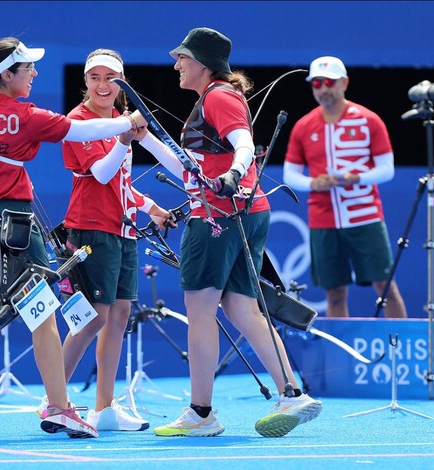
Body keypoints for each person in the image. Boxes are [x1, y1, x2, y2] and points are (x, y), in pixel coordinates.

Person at [0, 37, 147, 439]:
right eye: (28, 69)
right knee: (42, 314)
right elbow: (81, 130)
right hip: (13, 230)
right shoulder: (26, 115)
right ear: (7, 75)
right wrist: (127, 123)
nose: (35, 74)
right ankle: (60, 408)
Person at [136, 27, 322, 438]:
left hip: (218, 218)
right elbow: (191, 169)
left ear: (202, 63)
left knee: (200, 312)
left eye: (183, 58)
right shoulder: (211, 98)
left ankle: (201, 413)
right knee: (241, 308)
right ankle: (292, 394)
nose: (176, 64)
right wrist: (145, 138)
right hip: (244, 213)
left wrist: (236, 172)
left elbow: (242, 143)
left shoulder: (219, 96)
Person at [36, 49, 174, 432]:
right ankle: (54, 401)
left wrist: (152, 208)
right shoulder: (78, 122)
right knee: (94, 317)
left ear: (121, 83)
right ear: (85, 82)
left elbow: (122, 183)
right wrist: (125, 140)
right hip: (91, 229)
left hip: (124, 229)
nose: (102, 85)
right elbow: (99, 174)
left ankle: (105, 407)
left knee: (119, 316)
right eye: (94, 77)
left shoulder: (118, 122)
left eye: (109, 78)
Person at [283, 56, 407, 318]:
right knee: (334, 293)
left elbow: (387, 170)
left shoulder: (369, 120)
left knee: (385, 288)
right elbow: (290, 175)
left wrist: (356, 178)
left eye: (330, 82)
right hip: (323, 219)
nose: (323, 88)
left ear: (345, 83)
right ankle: (341, 357)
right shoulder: (304, 126)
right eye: (317, 83)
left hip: (365, 214)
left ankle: (404, 352)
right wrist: (313, 183)